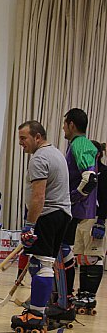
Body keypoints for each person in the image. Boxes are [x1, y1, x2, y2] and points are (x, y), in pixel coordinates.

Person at [10, 121, 71, 333]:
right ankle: (41, 309)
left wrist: (29, 226)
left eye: (23, 138)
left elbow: (38, 196)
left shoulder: (40, 158)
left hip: (48, 215)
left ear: (37, 137)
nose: (20, 143)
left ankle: (35, 315)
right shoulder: (56, 153)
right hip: (62, 215)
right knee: (46, 264)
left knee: (41, 264)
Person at [61, 108, 98, 305]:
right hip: (75, 208)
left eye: (65, 124)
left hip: (74, 208)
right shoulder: (78, 144)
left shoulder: (80, 144)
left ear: (72, 125)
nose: (63, 128)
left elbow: (90, 178)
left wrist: (72, 198)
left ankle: (64, 297)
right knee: (63, 248)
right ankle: (63, 295)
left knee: (61, 249)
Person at [72, 140, 106, 314]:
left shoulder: (104, 172)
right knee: (82, 258)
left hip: (96, 218)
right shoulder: (83, 172)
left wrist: (102, 221)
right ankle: (82, 292)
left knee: (93, 257)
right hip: (81, 218)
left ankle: (90, 295)